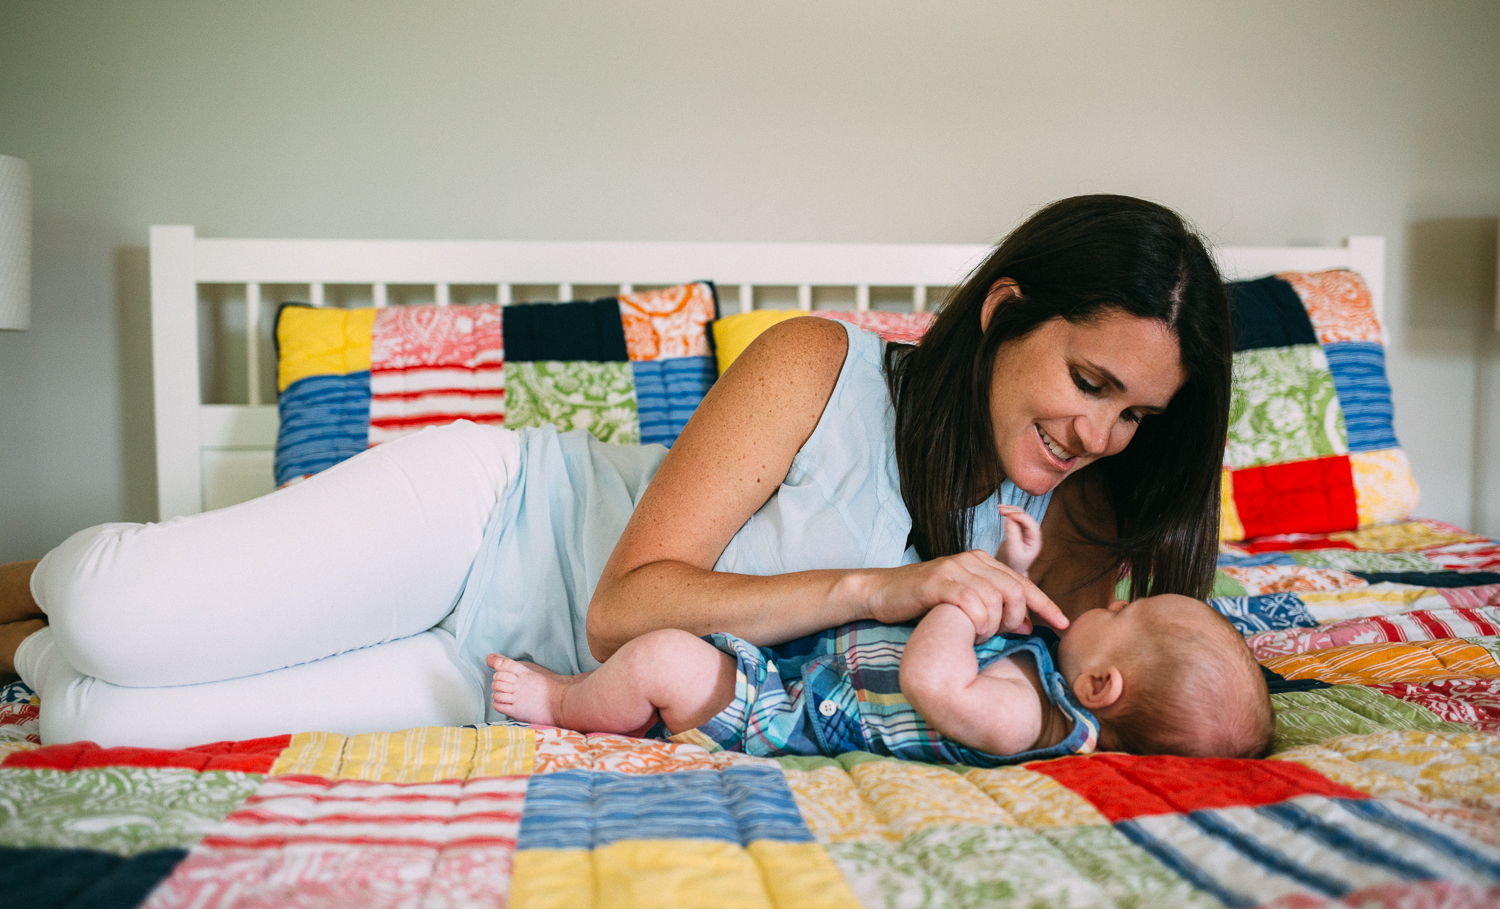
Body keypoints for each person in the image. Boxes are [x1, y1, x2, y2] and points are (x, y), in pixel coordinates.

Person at [0, 194, 1234, 748]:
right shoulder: (824, 363)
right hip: (488, 528)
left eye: (1138, 415)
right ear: (1009, 312)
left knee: (92, 711)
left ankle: (27, 639)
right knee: (119, 614)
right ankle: (28, 581)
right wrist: (882, 587)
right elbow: (627, 605)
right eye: (1087, 382)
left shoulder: (1078, 541)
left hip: (510, 676)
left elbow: (1129, 693)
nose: (1097, 437)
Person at [489, 506, 1275, 762]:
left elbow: (937, 682)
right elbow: (980, 643)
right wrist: (1006, 566)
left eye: (1123, 616)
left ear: (1105, 686)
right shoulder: (1039, 675)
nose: (1108, 604)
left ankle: (563, 699)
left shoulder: (1029, 718)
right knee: (668, 650)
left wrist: (961, 604)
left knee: (661, 656)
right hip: (802, 670)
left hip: (787, 715)